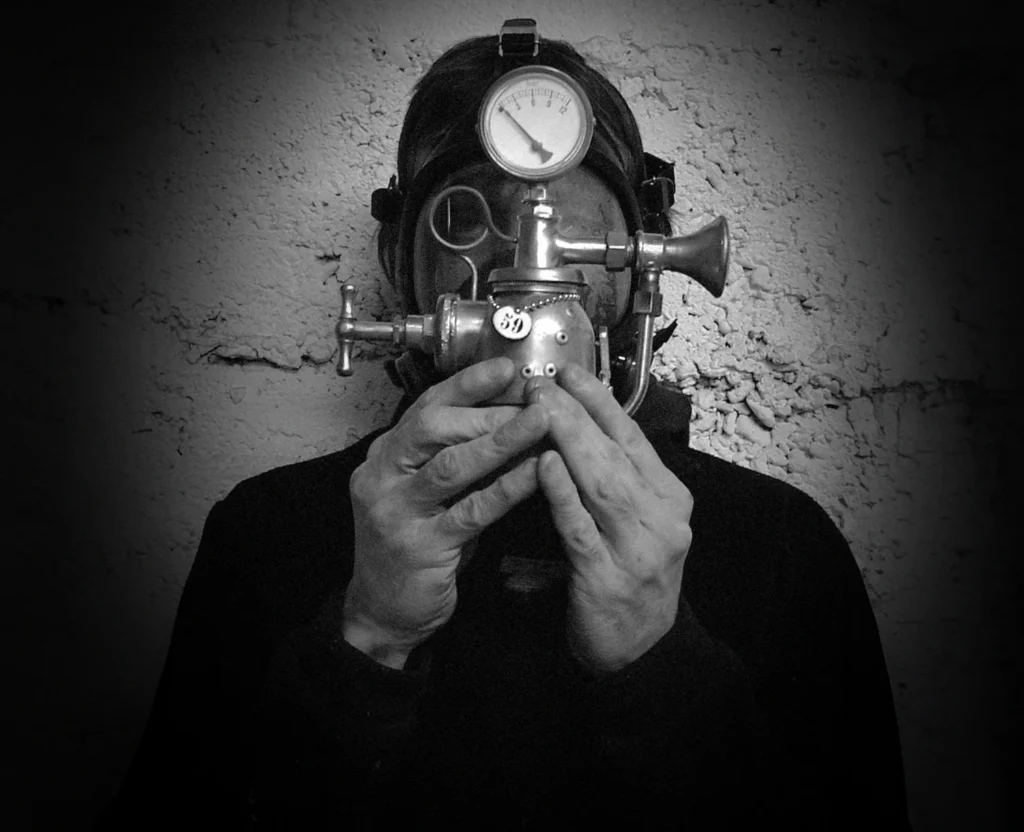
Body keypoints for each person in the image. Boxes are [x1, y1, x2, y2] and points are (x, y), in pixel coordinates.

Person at [99, 26, 910, 830]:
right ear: (398, 261)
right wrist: (366, 640)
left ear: (643, 263)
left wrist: (662, 663)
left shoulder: (783, 549)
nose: (523, 263)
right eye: (468, 218)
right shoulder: (265, 535)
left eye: (569, 230)